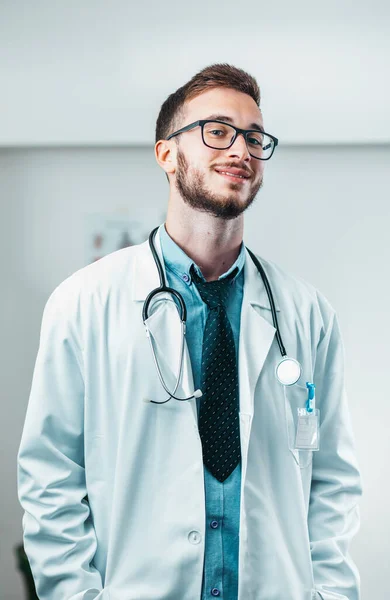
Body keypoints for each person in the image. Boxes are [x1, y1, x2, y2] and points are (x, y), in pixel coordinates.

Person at [17, 63, 362, 600]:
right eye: (217, 131)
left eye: (254, 136)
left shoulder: (308, 313)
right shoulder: (83, 303)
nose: (241, 150)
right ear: (166, 153)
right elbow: (50, 477)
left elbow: (334, 482)